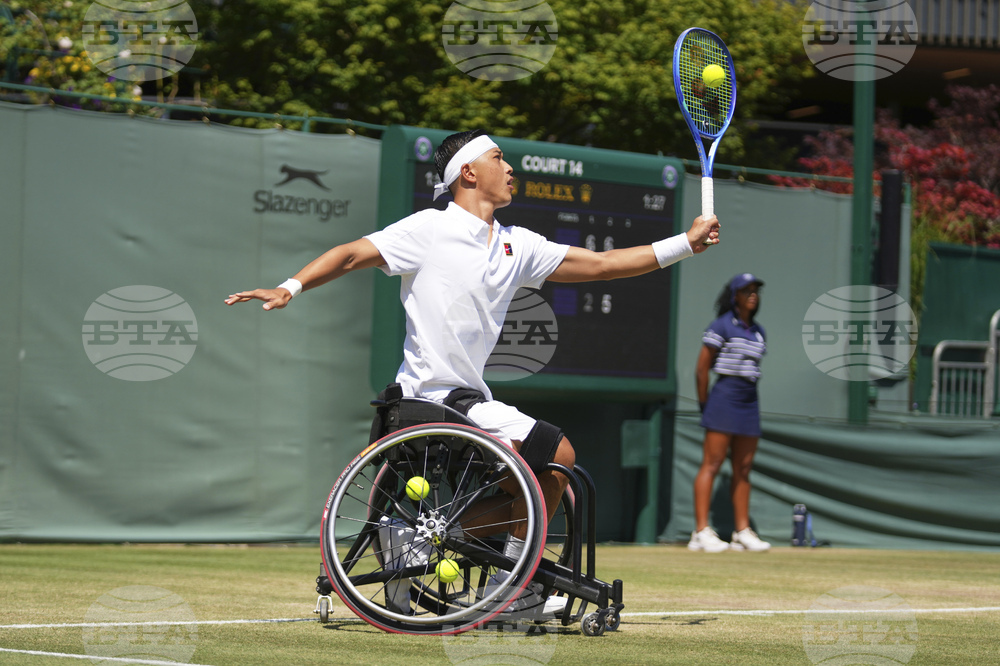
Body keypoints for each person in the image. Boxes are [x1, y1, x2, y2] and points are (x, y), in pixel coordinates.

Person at [226, 129, 720, 610]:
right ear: (468, 171)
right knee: (553, 456)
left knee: (552, 466)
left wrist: (686, 244)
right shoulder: (428, 229)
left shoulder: (516, 244)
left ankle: (468, 563)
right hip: (424, 400)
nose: (510, 168)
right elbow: (352, 252)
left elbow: (603, 265)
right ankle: (507, 584)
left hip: (469, 402)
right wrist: (289, 286)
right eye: (499, 158)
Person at [688, 273, 771, 553]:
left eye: (755, 290)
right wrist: (704, 404)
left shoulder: (759, 331)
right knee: (711, 465)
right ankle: (700, 532)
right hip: (723, 399)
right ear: (734, 296)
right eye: (746, 290)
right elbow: (702, 369)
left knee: (744, 469)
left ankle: (742, 532)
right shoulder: (721, 326)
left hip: (749, 402)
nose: (753, 294)